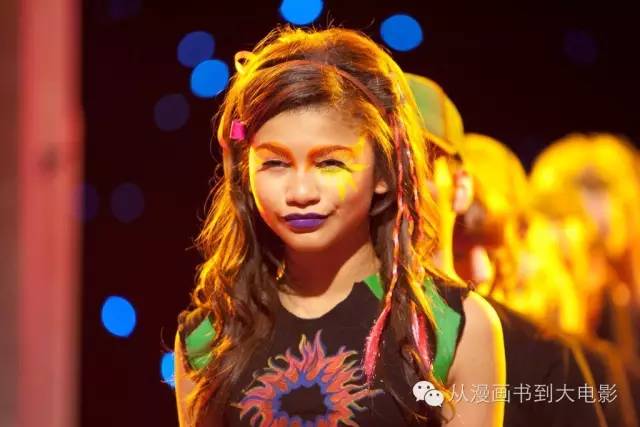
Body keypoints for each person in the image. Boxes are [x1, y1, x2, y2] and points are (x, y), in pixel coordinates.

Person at [173, 27, 505, 427]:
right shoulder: (210, 337)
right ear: (244, 171)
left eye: (330, 163)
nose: (300, 192)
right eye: (274, 163)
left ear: (383, 171)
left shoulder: (451, 327)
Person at [406, 73, 615, 426]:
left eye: (417, 165)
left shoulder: (540, 354)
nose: (396, 185)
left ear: (460, 187)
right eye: (379, 164)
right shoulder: (328, 327)